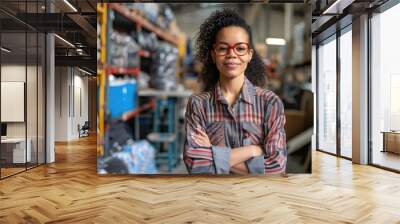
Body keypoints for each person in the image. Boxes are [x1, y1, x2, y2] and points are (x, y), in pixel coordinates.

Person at [183, 9, 287, 175]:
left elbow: (276, 167)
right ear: (213, 55)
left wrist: (211, 153)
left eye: (240, 48)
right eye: (223, 48)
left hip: (257, 196)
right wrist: (253, 150)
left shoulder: (269, 103)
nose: (232, 54)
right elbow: (196, 166)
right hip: (213, 196)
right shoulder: (198, 105)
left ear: (249, 55)